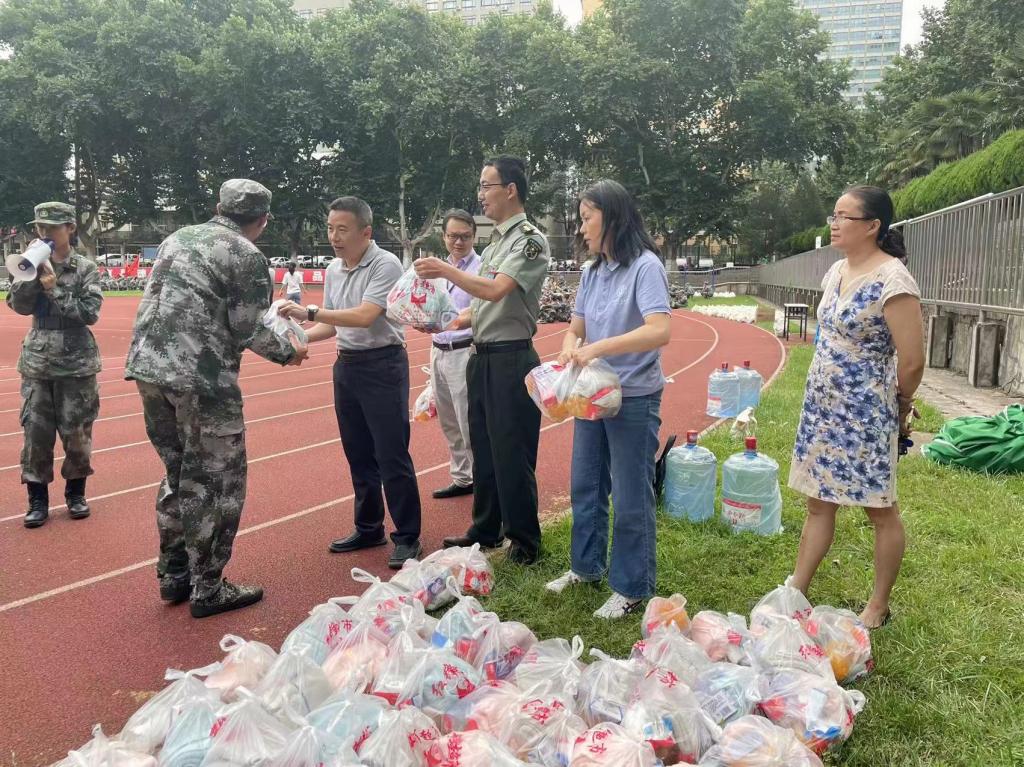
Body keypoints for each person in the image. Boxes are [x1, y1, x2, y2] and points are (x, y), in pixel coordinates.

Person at [125, 179, 308, 619]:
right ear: (262, 220)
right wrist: (291, 352)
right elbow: (248, 327)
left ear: (218, 207)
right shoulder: (246, 254)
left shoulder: (177, 237)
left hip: (149, 370)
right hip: (200, 380)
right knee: (218, 482)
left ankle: (174, 574)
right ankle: (208, 587)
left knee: (177, 473)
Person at [788, 185, 924, 629]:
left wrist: (901, 406)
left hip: (864, 412)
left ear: (872, 226)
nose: (834, 223)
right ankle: (796, 589)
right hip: (822, 407)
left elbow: (912, 360)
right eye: (833, 214)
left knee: (879, 509)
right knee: (818, 502)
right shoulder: (835, 271)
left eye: (843, 216)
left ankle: (878, 605)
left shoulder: (893, 280)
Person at [542, 180, 671, 618]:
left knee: (631, 493)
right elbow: (575, 326)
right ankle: (585, 566)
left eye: (586, 218)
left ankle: (632, 587)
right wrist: (570, 347)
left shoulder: (646, 267)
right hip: (592, 395)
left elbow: (659, 329)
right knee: (586, 484)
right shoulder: (591, 272)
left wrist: (596, 348)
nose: (581, 228)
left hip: (632, 394)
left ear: (612, 217)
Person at [414, 155, 550, 565]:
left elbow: (495, 291)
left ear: (510, 189)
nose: (481, 195)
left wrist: (445, 270)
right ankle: (486, 528)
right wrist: (445, 320)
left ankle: (525, 541)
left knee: (512, 452)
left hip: (511, 358)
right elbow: (481, 307)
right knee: (485, 449)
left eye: (486, 186)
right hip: (482, 357)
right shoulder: (496, 244)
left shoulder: (528, 241)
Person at [278, 196, 423, 569]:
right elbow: (332, 325)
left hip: (383, 366)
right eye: (330, 229)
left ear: (366, 232)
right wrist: (297, 341)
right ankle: (368, 527)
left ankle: (408, 536)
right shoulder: (334, 268)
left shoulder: (385, 264)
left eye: (342, 229)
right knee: (357, 452)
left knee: (391, 453)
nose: (334, 237)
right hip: (347, 366)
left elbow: (364, 316)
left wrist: (309, 312)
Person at [6, 202, 102, 529]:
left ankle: (76, 494)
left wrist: (54, 288)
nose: (45, 233)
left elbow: (89, 313)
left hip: (76, 363)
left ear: (70, 228)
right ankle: (37, 501)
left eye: (52, 227)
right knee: (35, 434)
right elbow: (18, 306)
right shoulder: (31, 262)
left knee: (77, 434)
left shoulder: (85, 268)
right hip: (38, 363)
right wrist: (29, 276)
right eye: (40, 227)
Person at [428, 209, 481, 499]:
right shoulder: (439, 268)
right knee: (449, 421)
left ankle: (482, 481)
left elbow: (479, 311)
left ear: (474, 236)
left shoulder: (481, 269)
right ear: (443, 237)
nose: (458, 242)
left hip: (464, 351)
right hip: (438, 350)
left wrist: (450, 322)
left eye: (465, 236)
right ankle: (462, 478)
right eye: (453, 236)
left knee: (468, 421)